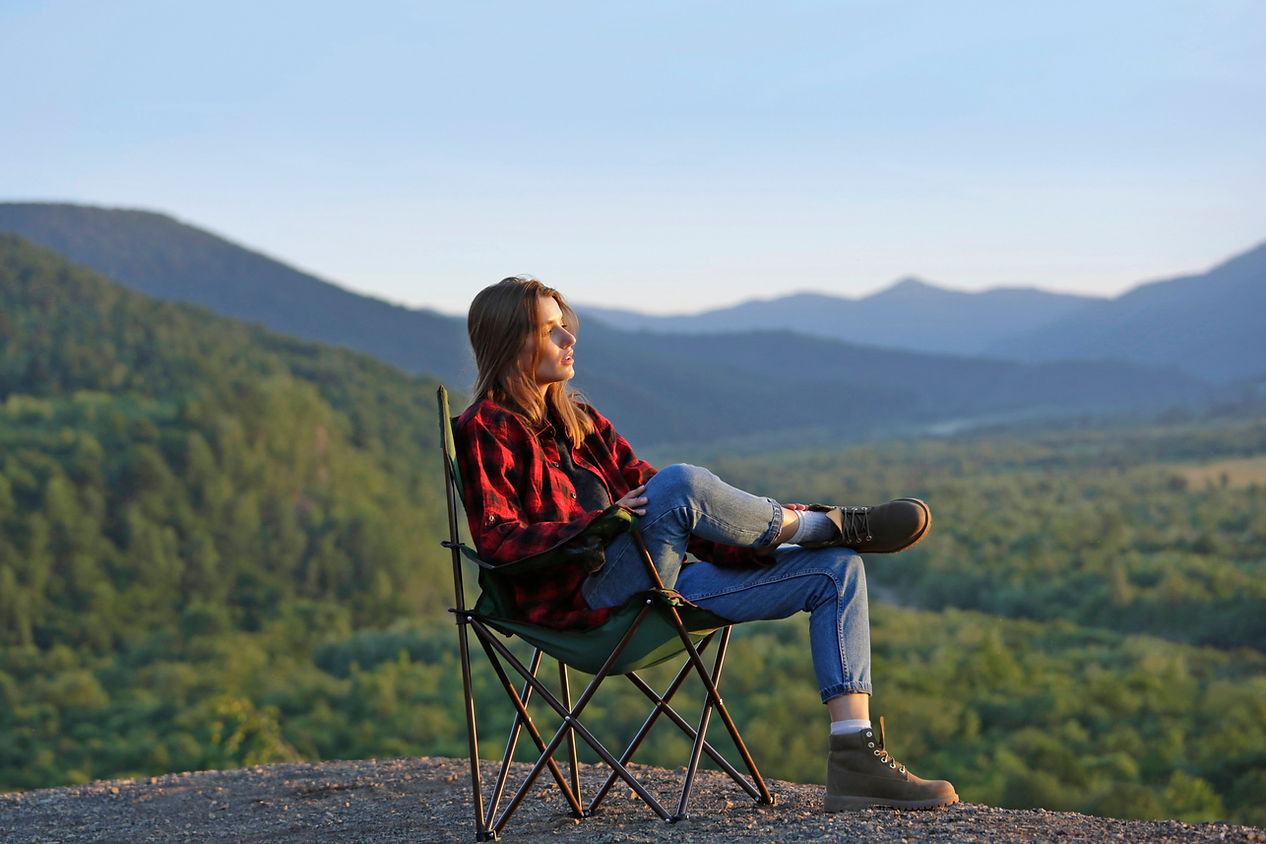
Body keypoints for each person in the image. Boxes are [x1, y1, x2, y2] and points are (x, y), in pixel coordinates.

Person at [454, 275, 958, 811]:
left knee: (836, 567)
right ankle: (817, 521)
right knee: (678, 481)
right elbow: (498, 541)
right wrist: (600, 523)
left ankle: (854, 759)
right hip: (583, 604)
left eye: (565, 327)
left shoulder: (579, 420)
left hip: (654, 582)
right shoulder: (484, 427)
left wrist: (756, 550)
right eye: (551, 331)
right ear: (512, 341)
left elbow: (680, 513)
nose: (569, 340)